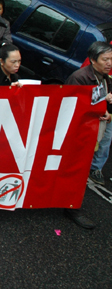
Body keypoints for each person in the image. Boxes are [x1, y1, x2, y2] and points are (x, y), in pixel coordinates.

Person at [64, 42, 112, 229]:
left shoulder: (105, 78)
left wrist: (106, 109)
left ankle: (70, 203)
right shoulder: (80, 78)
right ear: (93, 60)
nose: (109, 63)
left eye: (111, 59)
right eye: (105, 59)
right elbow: (71, 105)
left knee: (80, 170)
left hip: (92, 132)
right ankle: (71, 207)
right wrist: (100, 105)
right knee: (74, 170)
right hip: (78, 133)